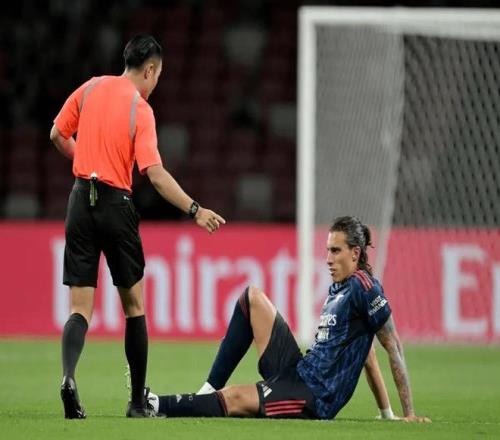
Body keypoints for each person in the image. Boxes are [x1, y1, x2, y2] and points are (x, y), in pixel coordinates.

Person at [50, 34, 226, 419]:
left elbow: (57, 134)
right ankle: (135, 404)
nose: (156, 83)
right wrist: (194, 209)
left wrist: (85, 162)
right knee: (134, 307)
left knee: (79, 308)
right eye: (158, 75)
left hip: (80, 200)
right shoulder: (139, 109)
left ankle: (68, 378)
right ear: (149, 70)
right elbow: (155, 174)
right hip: (116, 204)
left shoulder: (90, 88)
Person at [147, 216, 430, 422]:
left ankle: (155, 405)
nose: (328, 258)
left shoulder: (364, 287)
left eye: (335, 251)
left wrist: (408, 414)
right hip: (300, 371)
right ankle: (206, 390)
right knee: (251, 298)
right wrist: (385, 413)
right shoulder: (339, 289)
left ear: (355, 253)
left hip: (312, 397)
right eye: (327, 250)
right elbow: (367, 355)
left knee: (234, 398)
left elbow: (392, 346)